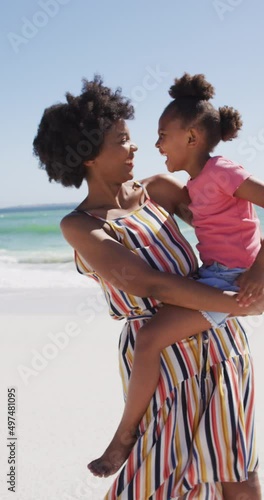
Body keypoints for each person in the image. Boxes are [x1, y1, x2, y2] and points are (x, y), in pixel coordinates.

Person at [33, 75, 263, 499]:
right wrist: (239, 303)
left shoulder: (160, 189)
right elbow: (149, 283)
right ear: (87, 155)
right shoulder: (81, 225)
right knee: (157, 478)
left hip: (220, 341)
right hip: (160, 363)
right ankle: (122, 441)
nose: (135, 146)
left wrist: (258, 273)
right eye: (121, 140)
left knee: (239, 474)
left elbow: (235, 227)